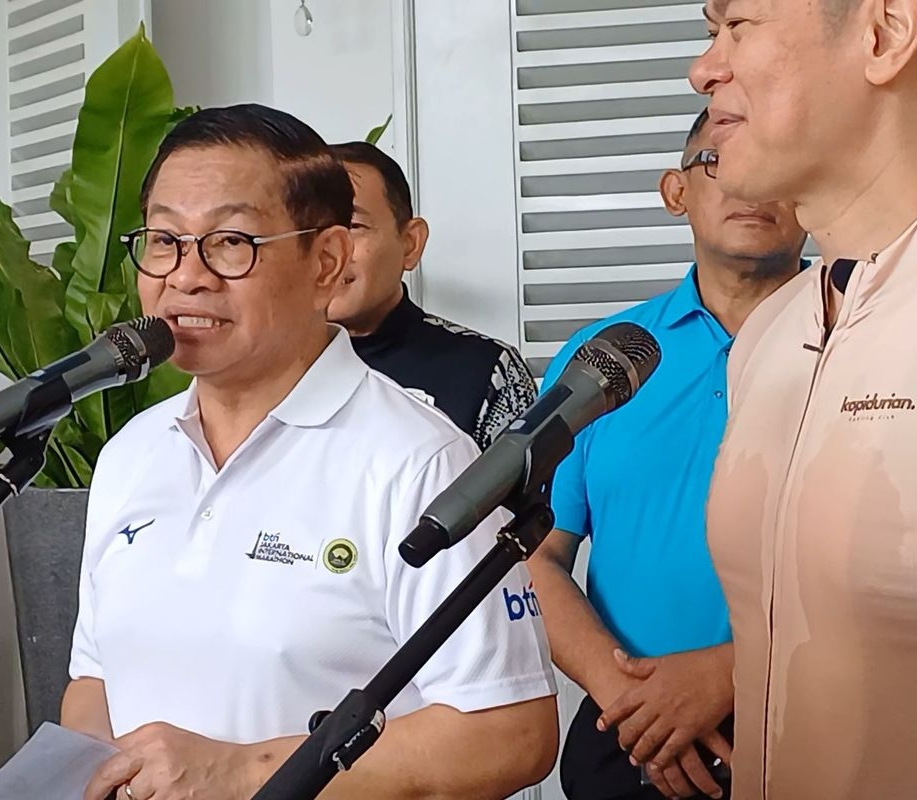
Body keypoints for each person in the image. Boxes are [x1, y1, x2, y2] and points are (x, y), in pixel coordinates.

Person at [60, 104, 559, 800]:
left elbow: (511, 732)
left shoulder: (418, 461)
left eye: (230, 242)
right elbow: (95, 681)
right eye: (165, 239)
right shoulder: (131, 455)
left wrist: (240, 772)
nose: (186, 275)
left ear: (326, 261)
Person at [526, 110, 807, 800]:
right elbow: (534, 555)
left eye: (774, 164)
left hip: (820, 719)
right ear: (675, 191)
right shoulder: (605, 359)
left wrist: (730, 673)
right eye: (719, 161)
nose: (749, 185)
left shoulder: (869, 340)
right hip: (632, 732)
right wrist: (630, 699)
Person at [689, 1, 917, 797]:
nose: (704, 69)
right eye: (709, 33)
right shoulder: (770, 331)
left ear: (884, 34)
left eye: (739, 26)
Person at [326, 141, 537, 449]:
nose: (329, 252)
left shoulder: (488, 371)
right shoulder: (264, 369)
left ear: (410, 243)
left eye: (352, 226)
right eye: (309, 230)